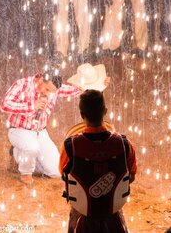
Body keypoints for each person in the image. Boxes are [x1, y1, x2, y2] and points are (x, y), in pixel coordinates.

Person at [0, 63, 110, 185]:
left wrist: (99, 85)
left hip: (40, 132)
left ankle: (22, 157)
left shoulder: (54, 90)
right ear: (41, 80)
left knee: (57, 172)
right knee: (32, 147)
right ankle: (25, 172)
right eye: (46, 89)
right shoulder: (22, 84)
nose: (48, 93)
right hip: (19, 130)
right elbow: (4, 105)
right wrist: (32, 106)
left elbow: (78, 90)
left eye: (51, 92)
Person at [59, 89, 137, 233]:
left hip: (82, 217)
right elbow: (131, 176)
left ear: (82, 115)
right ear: (105, 111)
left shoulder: (70, 146)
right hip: (112, 215)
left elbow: (64, 175)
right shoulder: (124, 144)